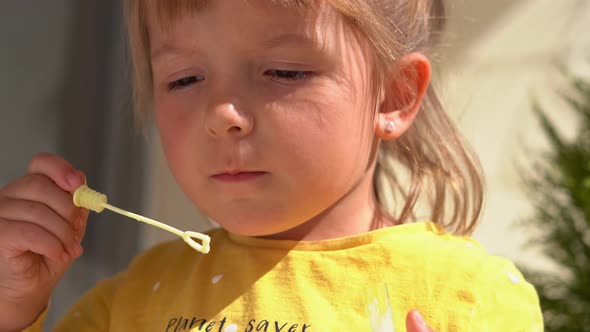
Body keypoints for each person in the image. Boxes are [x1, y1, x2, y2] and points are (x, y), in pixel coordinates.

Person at [0, 0, 543, 331]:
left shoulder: (468, 297)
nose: (223, 115)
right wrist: (13, 303)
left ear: (393, 96)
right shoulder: (134, 301)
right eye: (184, 79)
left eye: (283, 72)